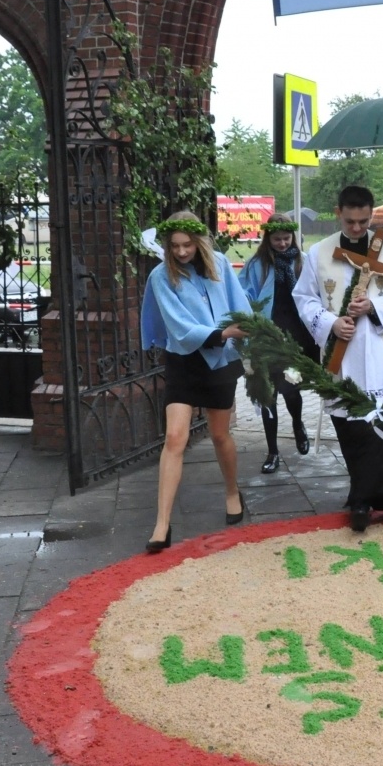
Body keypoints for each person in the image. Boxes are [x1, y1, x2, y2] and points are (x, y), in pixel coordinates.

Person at [294, 185, 383, 529]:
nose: (356, 228)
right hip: (340, 352)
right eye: (350, 221)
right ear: (338, 213)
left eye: (363, 221)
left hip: (377, 348)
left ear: (371, 215)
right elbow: (304, 298)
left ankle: (377, 495)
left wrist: (374, 306)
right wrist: (331, 323)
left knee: (382, 422)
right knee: (351, 426)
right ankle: (362, 495)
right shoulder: (320, 252)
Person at [140, 212, 250, 552]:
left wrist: (249, 329)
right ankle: (162, 524)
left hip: (221, 362)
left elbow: (239, 304)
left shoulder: (219, 263)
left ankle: (232, 491)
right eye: (174, 246)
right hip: (184, 361)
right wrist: (221, 333)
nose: (181, 252)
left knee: (219, 434)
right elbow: (177, 325)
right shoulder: (161, 275)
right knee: (175, 437)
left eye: (187, 245)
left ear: (199, 242)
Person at [239, 217, 314, 474]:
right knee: (267, 394)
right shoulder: (257, 265)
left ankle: (298, 424)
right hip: (266, 337)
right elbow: (243, 294)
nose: (282, 243)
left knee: (291, 389)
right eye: (277, 239)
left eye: (286, 238)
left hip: (295, 338)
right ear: (267, 239)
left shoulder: (303, 261)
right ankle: (272, 451)